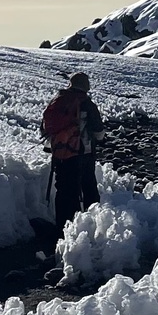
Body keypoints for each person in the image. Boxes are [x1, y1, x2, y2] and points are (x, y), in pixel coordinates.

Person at [42, 72, 105, 231]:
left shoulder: (58, 101)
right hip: (83, 154)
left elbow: (45, 128)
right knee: (88, 187)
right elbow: (99, 132)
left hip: (60, 153)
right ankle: (89, 226)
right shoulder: (87, 104)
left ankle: (62, 227)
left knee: (64, 190)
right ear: (86, 86)